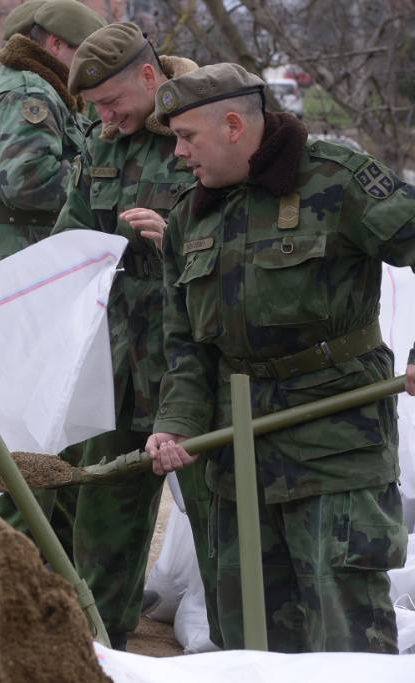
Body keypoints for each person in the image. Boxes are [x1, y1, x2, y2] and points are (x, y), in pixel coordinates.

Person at [146, 62, 415, 653]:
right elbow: (185, 344)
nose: (178, 154)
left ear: (235, 125)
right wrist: (177, 423)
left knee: (345, 631)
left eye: (186, 137)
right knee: (250, 637)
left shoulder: (336, 180)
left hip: (335, 443)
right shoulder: (191, 217)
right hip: (238, 452)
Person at [51, 22, 215, 651]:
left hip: (195, 358)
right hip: (119, 359)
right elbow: (72, 233)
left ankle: (236, 653)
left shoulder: (206, 123)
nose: (106, 118)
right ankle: (101, 646)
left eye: (112, 103)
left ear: (151, 78)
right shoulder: (103, 141)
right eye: (95, 109)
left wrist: (174, 232)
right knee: (106, 514)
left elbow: (244, 230)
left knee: (212, 511)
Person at [0, 0, 103, 284]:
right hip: (6, 259)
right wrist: (100, 183)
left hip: (9, 255)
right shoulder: (29, 92)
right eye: (84, 52)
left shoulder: (38, 88)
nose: (90, 63)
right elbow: (27, 182)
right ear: (55, 45)